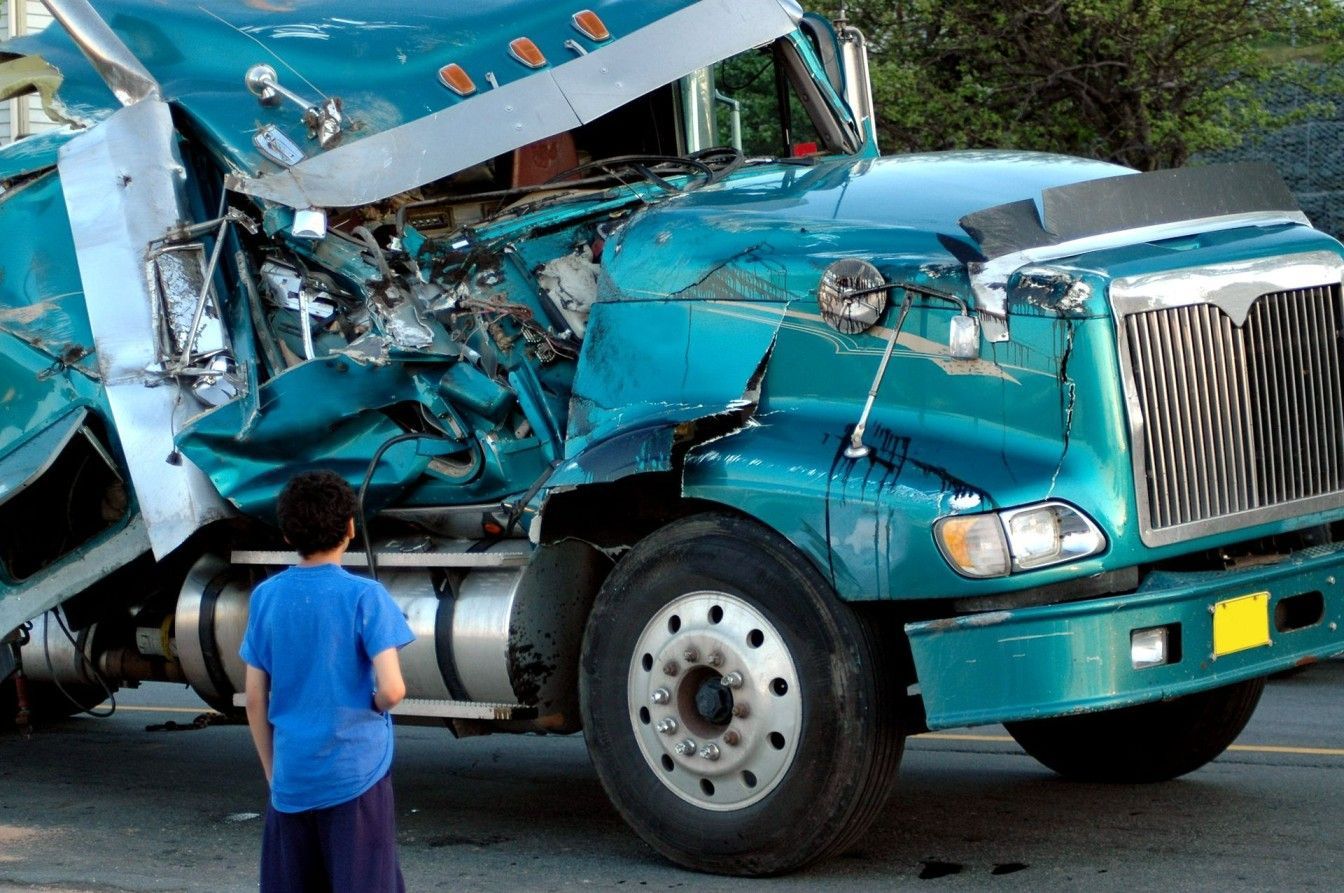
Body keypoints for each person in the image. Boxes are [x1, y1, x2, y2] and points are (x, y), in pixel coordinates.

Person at [240, 470, 415, 893]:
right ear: (351, 529)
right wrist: (371, 704)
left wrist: (273, 773)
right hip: (355, 774)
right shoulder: (365, 596)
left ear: (287, 535)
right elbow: (393, 689)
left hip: (292, 779)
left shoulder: (266, 596)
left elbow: (253, 699)